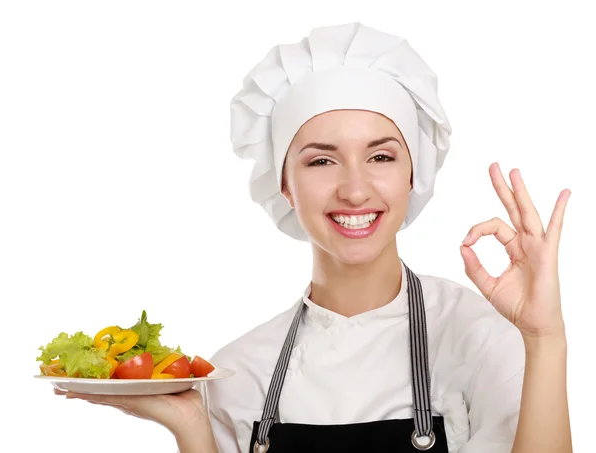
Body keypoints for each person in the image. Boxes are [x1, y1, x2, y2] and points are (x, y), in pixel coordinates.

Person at [58, 23, 573, 453]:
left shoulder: (480, 338)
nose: (354, 189)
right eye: (322, 160)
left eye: (381, 156)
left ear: (413, 173)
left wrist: (546, 339)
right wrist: (193, 426)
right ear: (284, 184)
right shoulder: (237, 371)